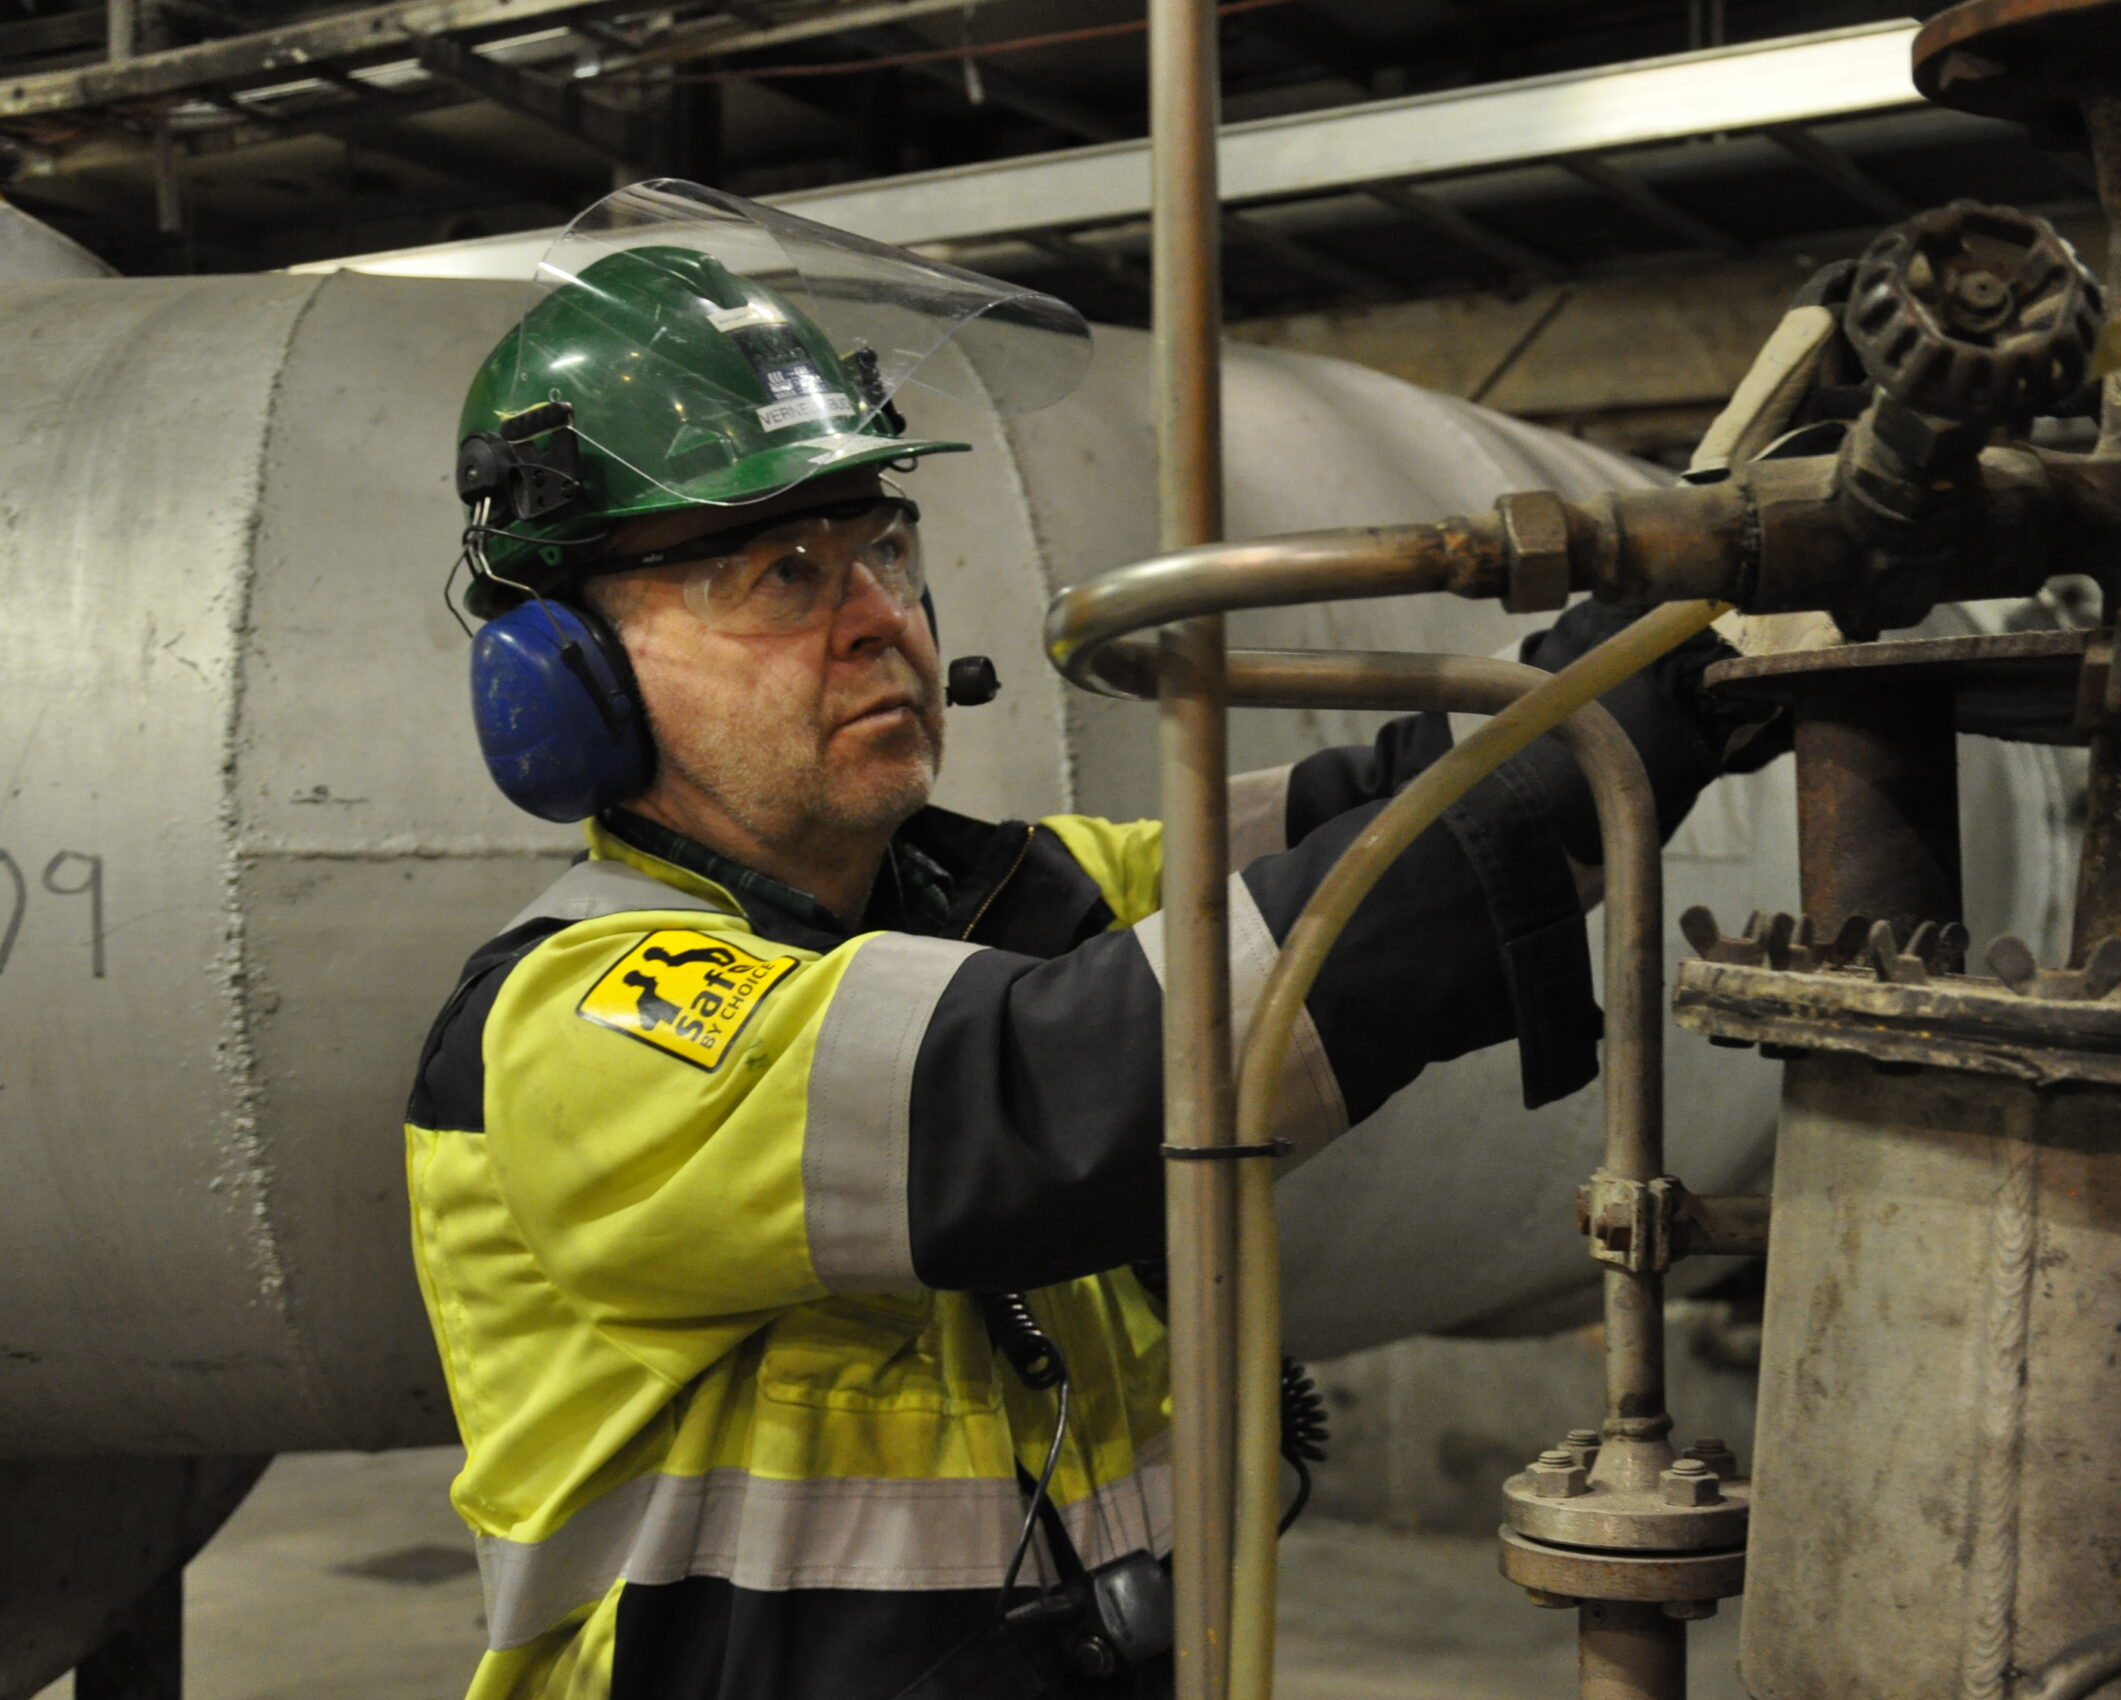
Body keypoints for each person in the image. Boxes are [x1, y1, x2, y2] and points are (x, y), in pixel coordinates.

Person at [405, 183, 1766, 1700]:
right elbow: (1054, 1096)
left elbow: (1364, 820)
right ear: (573, 669)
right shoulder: (575, 1019)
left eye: (884, 551)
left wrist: (1676, 663)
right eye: (780, 574)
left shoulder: (1002, 898)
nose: (878, 620)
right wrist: (1550, 777)